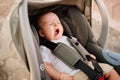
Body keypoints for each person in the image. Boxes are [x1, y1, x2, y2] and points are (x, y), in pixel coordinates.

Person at [37, 12, 120, 80]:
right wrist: (58, 76)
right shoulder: (44, 48)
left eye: (58, 22)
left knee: (110, 70)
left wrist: (88, 55)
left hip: (90, 65)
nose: (56, 25)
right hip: (73, 75)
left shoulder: (69, 38)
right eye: (51, 24)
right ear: (42, 33)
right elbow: (46, 66)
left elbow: (79, 48)